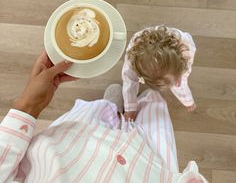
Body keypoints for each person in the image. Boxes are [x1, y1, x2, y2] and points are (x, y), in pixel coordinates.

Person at [0, 51, 207, 182]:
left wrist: (28, 105)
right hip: (149, 166)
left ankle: (110, 106)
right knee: (155, 105)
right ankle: (132, 106)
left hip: (73, 140)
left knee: (95, 110)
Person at [122, 26, 197, 121]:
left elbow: (180, 85)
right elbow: (129, 80)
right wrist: (130, 107)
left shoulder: (186, 49)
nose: (178, 82)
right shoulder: (132, 58)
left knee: (179, 83)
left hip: (176, 43)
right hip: (145, 43)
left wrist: (188, 101)